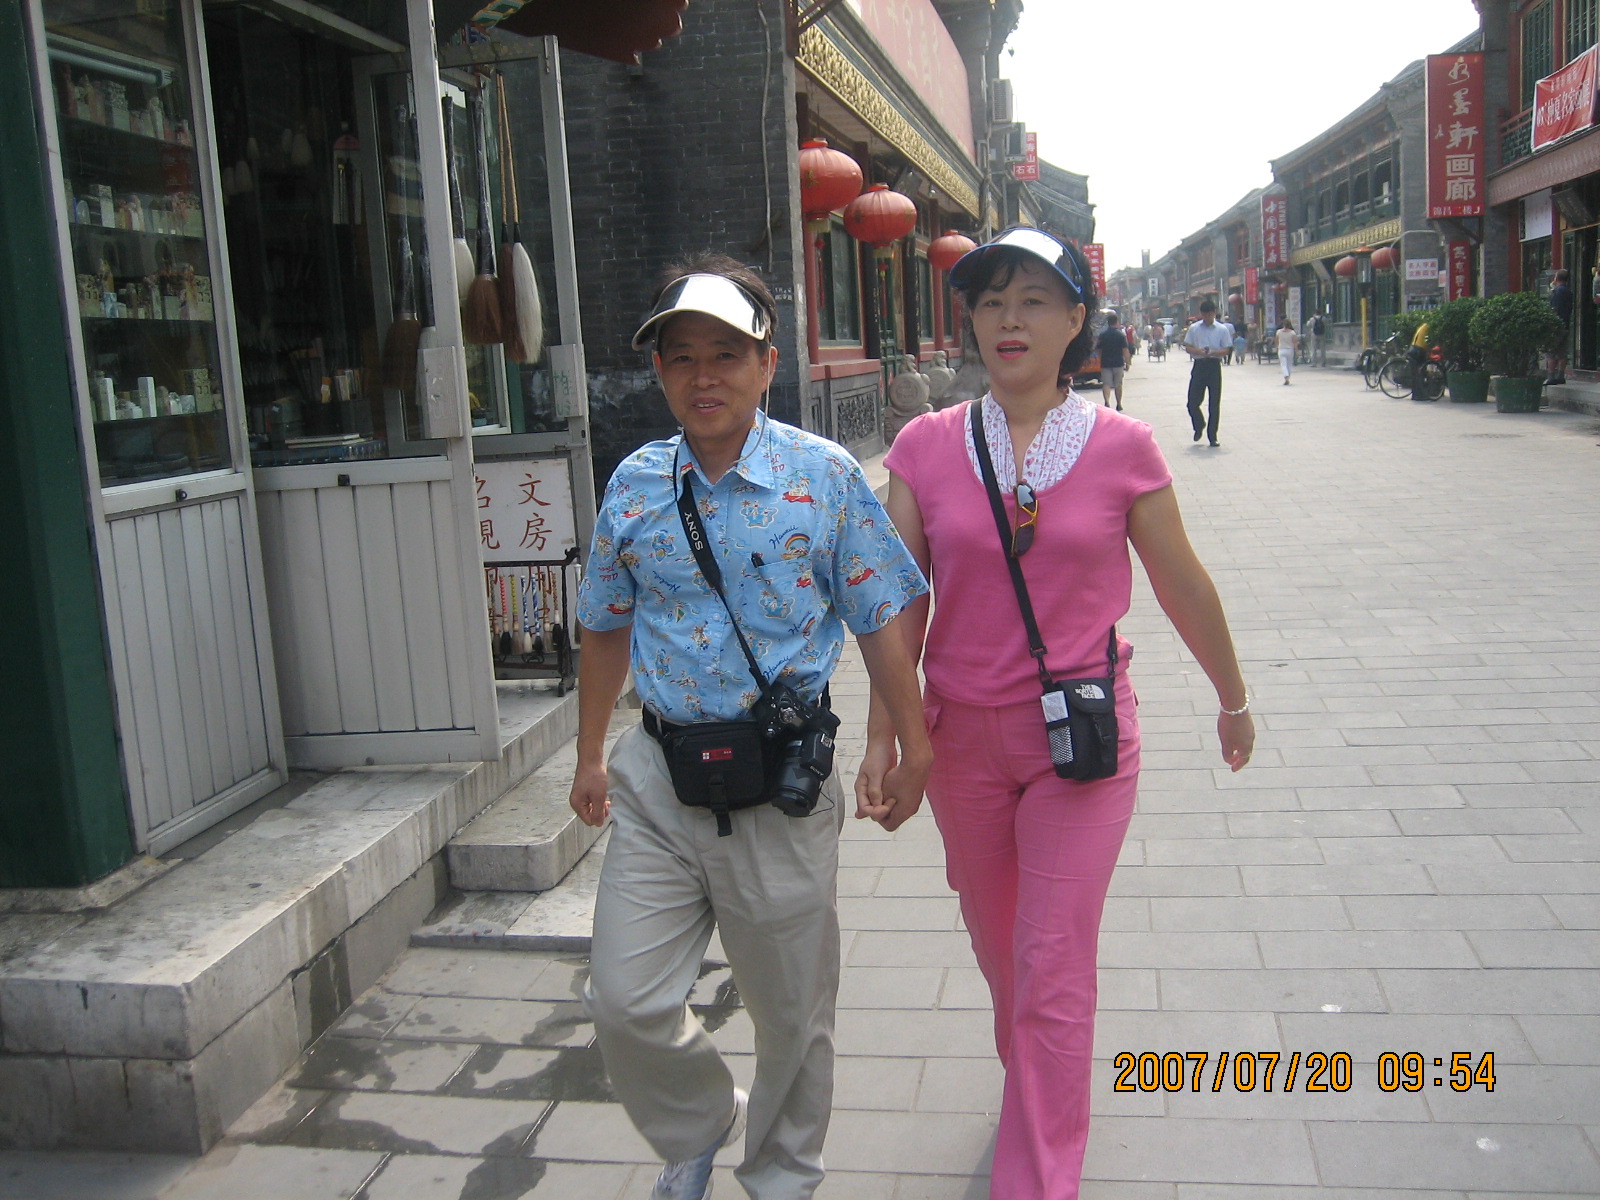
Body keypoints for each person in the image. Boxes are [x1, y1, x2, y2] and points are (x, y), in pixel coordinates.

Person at [856, 226, 1254, 1200]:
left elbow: (1182, 584)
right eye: (991, 301)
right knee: (1003, 953)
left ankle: (1036, 1176)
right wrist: (885, 736)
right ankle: (1039, 1085)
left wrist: (1232, 697)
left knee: (1051, 958)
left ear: (1076, 319)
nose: (1009, 319)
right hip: (960, 744)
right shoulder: (924, 447)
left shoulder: (1123, 449)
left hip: (1080, 742)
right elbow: (897, 606)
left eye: (1033, 299)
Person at [570, 254, 933, 1200]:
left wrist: (911, 741)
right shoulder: (636, 484)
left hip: (780, 788)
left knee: (792, 1020)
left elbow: (882, 613)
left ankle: (780, 1179)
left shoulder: (823, 477)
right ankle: (698, 1122)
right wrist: (590, 754)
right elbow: (604, 622)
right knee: (624, 998)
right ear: (660, 372)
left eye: (726, 354)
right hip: (660, 777)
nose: (704, 376)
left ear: (769, 364)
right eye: (682, 357)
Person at [1184, 298, 1230, 445]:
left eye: (1209, 315)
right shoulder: (1194, 328)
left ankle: (1212, 436)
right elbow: (1188, 347)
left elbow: (1227, 349)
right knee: (1192, 402)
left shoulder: (1222, 329)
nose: (1207, 318)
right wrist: (1198, 351)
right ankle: (1199, 424)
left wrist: (1214, 352)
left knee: (1214, 403)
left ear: (1214, 313)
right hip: (1199, 365)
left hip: (1214, 365)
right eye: (1204, 315)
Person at [1095, 312, 1130, 409]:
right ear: (1117, 322)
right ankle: (1118, 404)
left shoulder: (1103, 335)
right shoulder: (1121, 335)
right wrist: (1127, 363)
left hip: (1105, 363)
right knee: (1118, 384)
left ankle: (1107, 402)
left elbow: (1098, 350)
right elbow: (1125, 350)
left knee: (1106, 384)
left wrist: (1100, 357)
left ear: (1108, 323)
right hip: (1118, 363)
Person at [1547, 268, 1574, 385]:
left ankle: (1551, 376)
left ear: (1557, 278)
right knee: (1562, 351)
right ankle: (1561, 375)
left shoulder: (1558, 291)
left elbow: (1554, 309)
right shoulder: (1568, 291)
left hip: (1556, 325)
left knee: (1551, 351)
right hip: (1565, 323)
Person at [1276, 318, 1298, 385]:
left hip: (1281, 349)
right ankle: (1288, 378)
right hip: (1290, 350)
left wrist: (1277, 347)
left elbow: (1276, 340)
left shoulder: (1279, 332)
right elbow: (1295, 342)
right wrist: (1296, 351)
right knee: (1289, 365)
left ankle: (1286, 377)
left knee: (1283, 365)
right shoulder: (1292, 333)